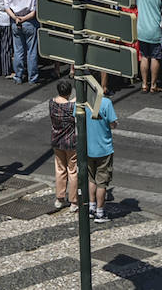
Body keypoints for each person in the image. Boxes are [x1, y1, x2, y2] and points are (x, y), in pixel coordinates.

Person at [85, 92, 118, 223]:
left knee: (91, 179)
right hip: (104, 149)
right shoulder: (106, 103)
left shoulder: (83, 102)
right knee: (102, 182)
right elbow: (113, 123)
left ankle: (91, 207)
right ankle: (100, 213)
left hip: (88, 148)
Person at [49, 79, 79, 212]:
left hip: (57, 140)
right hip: (71, 141)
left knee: (60, 169)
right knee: (72, 171)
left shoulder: (52, 103)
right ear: (70, 92)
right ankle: (74, 201)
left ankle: (60, 198)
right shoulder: (72, 106)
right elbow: (73, 105)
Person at [7, 0, 40, 84]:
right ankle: (33, 77)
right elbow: (35, 11)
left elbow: (6, 7)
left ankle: (18, 76)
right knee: (32, 51)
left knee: (18, 50)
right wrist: (24, 18)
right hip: (30, 22)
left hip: (15, 21)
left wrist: (16, 18)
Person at [135, 0, 162, 93]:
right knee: (155, 57)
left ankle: (144, 83)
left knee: (144, 56)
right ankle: (153, 85)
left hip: (141, 29)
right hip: (155, 29)